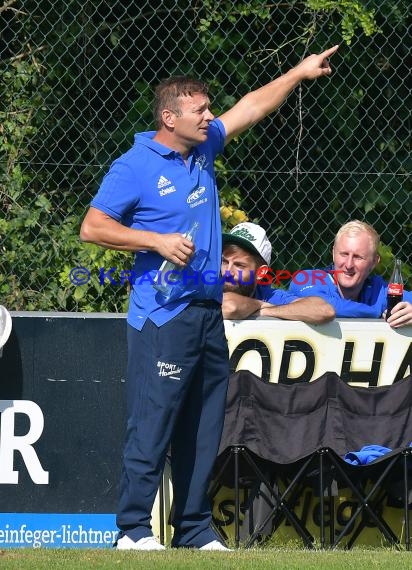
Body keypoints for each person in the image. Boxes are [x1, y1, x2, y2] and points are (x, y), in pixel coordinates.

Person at [80, 44, 339, 551]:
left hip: (206, 313)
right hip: (162, 316)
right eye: (199, 110)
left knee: (203, 427)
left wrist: (299, 72)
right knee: (153, 424)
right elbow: (92, 227)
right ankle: (133, 531)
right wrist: (154, 241)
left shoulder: (202, 148)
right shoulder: (134, 165)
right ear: (169, 116)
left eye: (208, 108)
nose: (209, 116)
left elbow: (251, 106)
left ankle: (194, 530)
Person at [288, 220, 412, 327]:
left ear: (374, 262)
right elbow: (327, 308)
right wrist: (377, 312)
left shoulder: (378, 290)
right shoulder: (307, 279)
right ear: (333, 253)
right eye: (344, 254)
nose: (348, 265)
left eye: (358, 257)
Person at [221, 222, 335, 323]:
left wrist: (263, 311)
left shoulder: (269, 295)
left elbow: (324, 310)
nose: (227, 272)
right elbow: (230, 307)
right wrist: (259, 304)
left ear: (261, 273)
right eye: (224, 262)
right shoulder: (208, 287)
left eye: (239, 265)